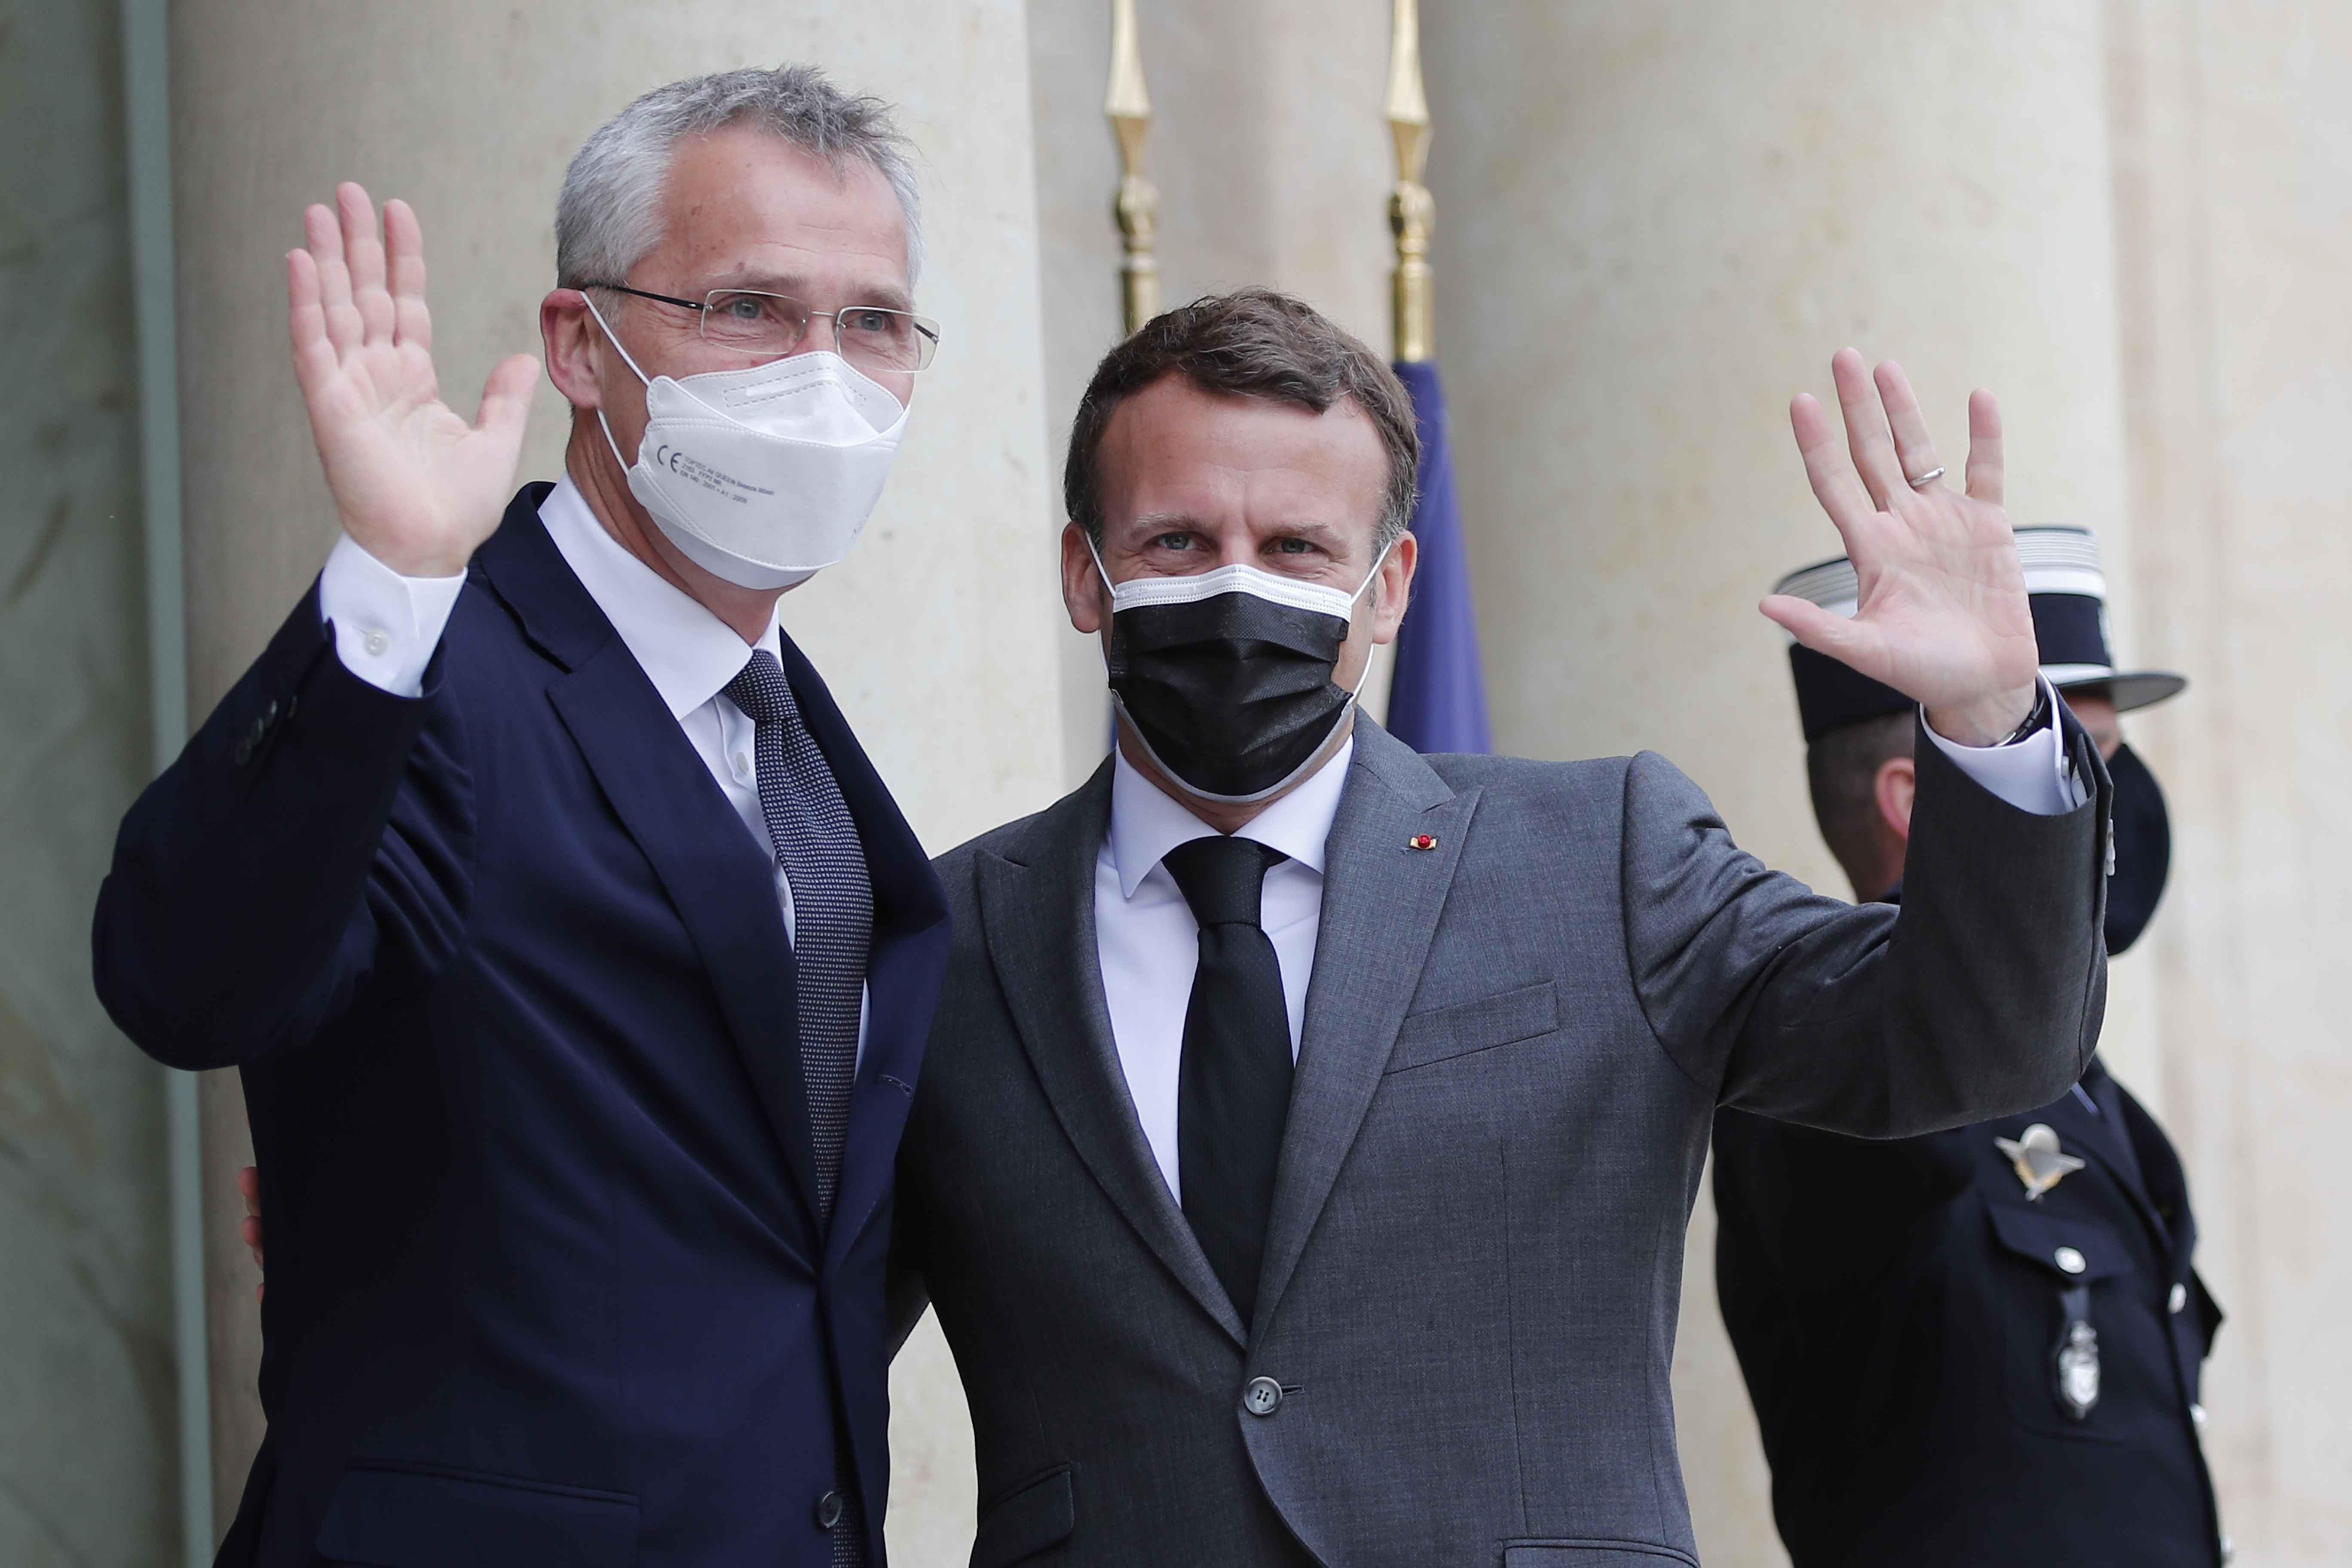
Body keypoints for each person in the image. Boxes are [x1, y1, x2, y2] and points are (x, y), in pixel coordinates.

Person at [889, 290, 2117, 1567]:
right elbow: (797, 1355)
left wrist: (1989, 724)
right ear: (1085, 574)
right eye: (1179, 542)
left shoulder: (1604, 856)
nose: (1238, 589)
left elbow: (1976, 1044)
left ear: (1390, 589)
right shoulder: (942, 942)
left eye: (1298, 547)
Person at [92, 67, 947, 1568]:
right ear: (581, 345)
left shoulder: (801, 741)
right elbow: (183, 975)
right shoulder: (437, 683)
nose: (820, 373)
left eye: (871, 321)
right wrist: (393, 583)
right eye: (749, 308)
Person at [1711, 531, 2223, 1568]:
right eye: (2074, 760)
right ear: (1922, 800)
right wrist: (1991, 826)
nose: (2109, 805)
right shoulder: (1822, 1070)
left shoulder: (2092, 1101)